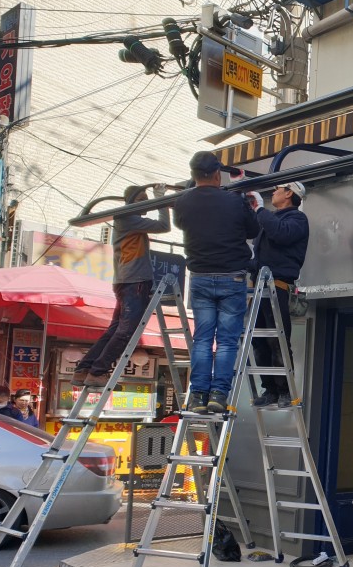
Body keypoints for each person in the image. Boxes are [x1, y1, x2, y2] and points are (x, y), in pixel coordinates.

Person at [173, 151, 259, 415]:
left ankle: (198, 395)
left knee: (202, 339)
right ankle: (219, 395)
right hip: (231, 275)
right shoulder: (234, 201)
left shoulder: (183, 202)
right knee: (227, 341)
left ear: (193, 175)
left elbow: (179, 223)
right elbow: (254, 230)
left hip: (199, 276)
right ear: (216, 174)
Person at [73, 185, 171, 388]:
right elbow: (164, 226)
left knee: (116, 329)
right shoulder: (128, 218)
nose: (146, 203)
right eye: (141, 199)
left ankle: (84, 369)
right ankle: (98, 371)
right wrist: (161, 198)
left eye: (147, 199)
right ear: (131, 201)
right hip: (135, 281)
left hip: (125, 281)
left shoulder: (126, 220)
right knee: (126, 331)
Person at [245, 182, 309, 408]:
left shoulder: (297, 219)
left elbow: (281, 234)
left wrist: (260, 209)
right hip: (260, 287)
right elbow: (259, 257)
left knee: (277, 340)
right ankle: (270, 389)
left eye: (277, 189)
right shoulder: (270, 221)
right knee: (258, 341)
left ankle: (284, 390)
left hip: (277, 287)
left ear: (289, 193)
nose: (273, 192)